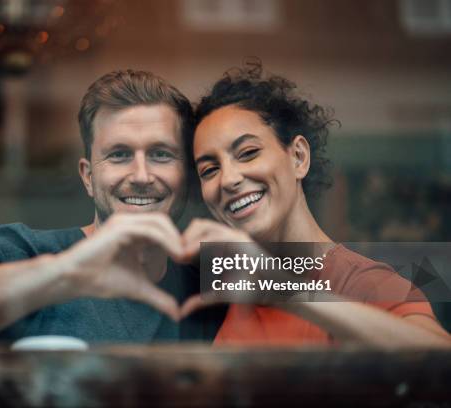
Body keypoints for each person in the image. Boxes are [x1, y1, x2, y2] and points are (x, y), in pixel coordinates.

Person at [0, 70, 223, 344]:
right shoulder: (22, 251)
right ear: (88, 176)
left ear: (187, 175)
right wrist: (65, 273)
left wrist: (256, 262)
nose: (141, 175)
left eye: (161, 154)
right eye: (119, 154)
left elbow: (277, 281)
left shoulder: (206, 274)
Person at [179, 62, 450, 348]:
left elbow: (441, 358)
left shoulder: (362, 281)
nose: (228, 179)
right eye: (209, 170)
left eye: (248, 153)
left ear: (298, 157)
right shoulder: (226, 289)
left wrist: (287, 291)